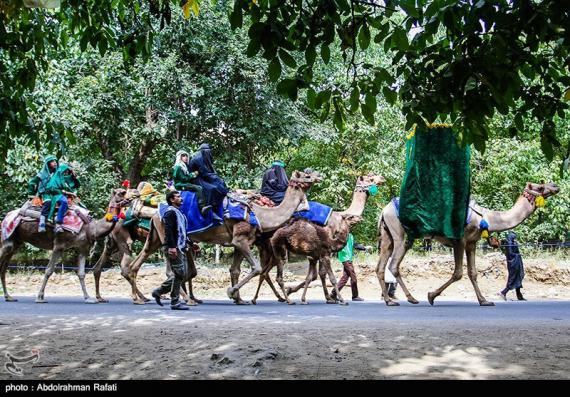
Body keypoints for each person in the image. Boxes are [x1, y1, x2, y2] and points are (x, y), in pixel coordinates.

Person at [152, 191, 190, 310]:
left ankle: (159, 291)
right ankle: (174, 301)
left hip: (180, 246)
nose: (181, 198)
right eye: (178, 197)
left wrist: (190, 243)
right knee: (180, 273)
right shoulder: (170, 213)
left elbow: (181, 231)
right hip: (174, 248)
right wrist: (171, 247)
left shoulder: (179, 213)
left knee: (181, 273)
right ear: (172, 200)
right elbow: (168, 231)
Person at [188, 143, 229, 220]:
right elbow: (204, 173)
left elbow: (210, 171)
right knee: (212, 189)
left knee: (220, 185)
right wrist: (216, 178)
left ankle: (222, 208)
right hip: (196, 179)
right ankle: (211, 211)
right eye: (207, 151)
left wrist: (218, 179)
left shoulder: (205, 157)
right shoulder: (197, 159)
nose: (208, 153)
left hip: (204, 177)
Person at [42, 163, 80, 233]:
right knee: (64, 201)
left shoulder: (65, 178)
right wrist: (70, 193)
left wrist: (74, 177)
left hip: (66, 195)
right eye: (66, 171)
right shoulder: (56, 177)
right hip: (54, 195)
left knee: (79, 204)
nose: (66, 173)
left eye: (68, 172)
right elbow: (55, 189)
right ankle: (58, 223)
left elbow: (74, 185)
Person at [27, 155, 59, 232]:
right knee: (48, 202)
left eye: (55, 161)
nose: (55, 163)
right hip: (45, 194)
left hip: (56, 193)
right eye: (52, 161)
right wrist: (31, 194)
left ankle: (59, 225)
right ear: (48, 164)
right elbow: (31, 183)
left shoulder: (57, 174)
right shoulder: (41, 174)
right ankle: (41, 223)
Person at [331, 233, 366, 301]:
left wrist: (364, 248)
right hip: (345, 258)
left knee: (345, 278)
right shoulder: (341, 235)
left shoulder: (350, 235)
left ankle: (333, 294)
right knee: (353, 278)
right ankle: (355, 296)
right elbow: (336, 246)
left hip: (348, 258)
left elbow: (355, 245)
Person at [498, 231, 526, 301]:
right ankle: (503, 292)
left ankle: (519, 295)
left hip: (516, 262)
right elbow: (510, 254)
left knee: (518, 276)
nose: (514, 238)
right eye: (513, 237)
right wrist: (517, 255)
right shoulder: (509, 243)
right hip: (513, 263)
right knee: (513, 278)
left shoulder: (513, 242)